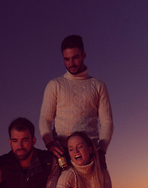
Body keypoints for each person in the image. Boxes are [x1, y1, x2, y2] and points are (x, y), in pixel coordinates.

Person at [39, 35, 113, 168]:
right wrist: (49, 143)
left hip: (91, 153)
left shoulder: (98, 86)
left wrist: (101, 150)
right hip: (61, 153)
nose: (71, 63)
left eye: (75, 58)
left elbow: (107, 122)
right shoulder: (55, 85)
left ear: (83, 55)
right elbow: (45, 119)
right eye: (66, 59)